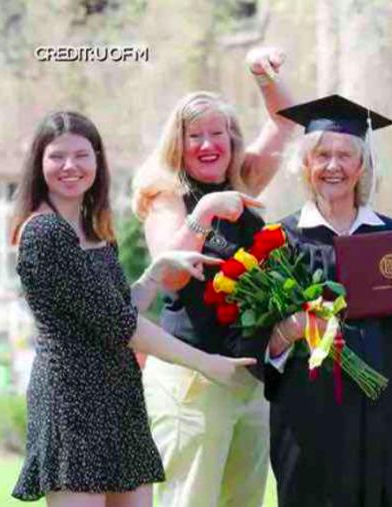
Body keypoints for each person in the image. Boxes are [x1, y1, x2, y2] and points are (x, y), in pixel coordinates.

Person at [10, 111, 255, 505]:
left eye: (81, 155)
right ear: (39, 164)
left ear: (97, 162)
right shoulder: (44, 232)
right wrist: (208, 363)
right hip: (73, 401)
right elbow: (124, 326)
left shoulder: (96, 233)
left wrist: (154, 274)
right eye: (57, 157)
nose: (70, 166)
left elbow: (117, 310)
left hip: (121, 396)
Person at [258, 94, 392, 507]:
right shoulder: (280, 242)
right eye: (322, 155)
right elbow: (261, 355)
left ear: (361, 166)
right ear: (305, 165)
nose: (333, 166)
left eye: (345, 155)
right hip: (312, 424)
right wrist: (294, 326)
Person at [131, 47, 296, 507]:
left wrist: (260, 74)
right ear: (177, 145)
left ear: (231, 138)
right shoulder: (166, 196)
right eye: (195, 136)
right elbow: (171, 277)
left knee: (244, 502)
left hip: (250, 378)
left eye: (217, 133)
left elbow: (286, 124)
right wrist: (204, 213)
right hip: (192, 377)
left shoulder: (243, 182)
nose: (208, 145)